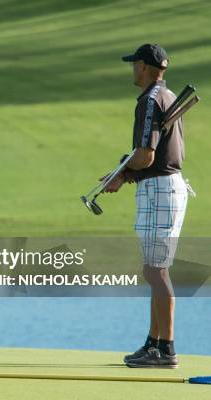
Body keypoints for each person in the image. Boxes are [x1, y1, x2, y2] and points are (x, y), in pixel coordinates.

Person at [103, 44, 188, 368]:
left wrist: (121, 174)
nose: (132, 69)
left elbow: (146, 156)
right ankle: (154, 342)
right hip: (164, 188)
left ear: (144, 67)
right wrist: (123, 172)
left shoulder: (150, 100)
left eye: (134, 64)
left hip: (159, 189)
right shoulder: (164, 96)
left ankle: (165, 348)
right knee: (154, 270)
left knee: (156, 271)